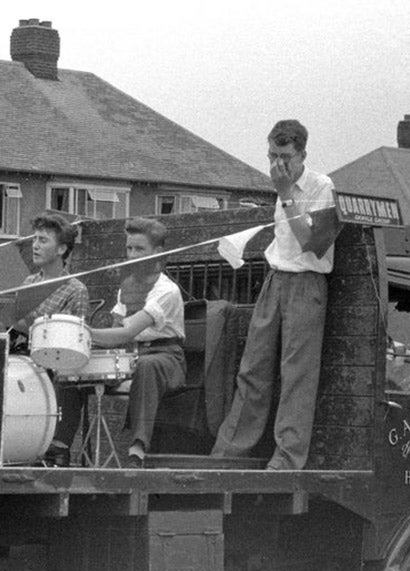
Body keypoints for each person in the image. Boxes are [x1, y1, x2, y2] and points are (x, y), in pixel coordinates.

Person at [212, 120, 336, 470]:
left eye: (285, 156)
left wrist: (285, 194)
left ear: (302, 155)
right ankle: (230, 451)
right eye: (272, 155)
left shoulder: (321, 186)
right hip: (275, 279)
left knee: (297, 373)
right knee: (253, 367)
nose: (278, 164)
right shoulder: (281, 184)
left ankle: (287, 457)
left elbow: (311, 242)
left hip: (307, 282)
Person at [47, 218, 185, 468]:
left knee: (147, 365)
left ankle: (137, 450)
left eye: (139, 249)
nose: (131, 254)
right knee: (74, 365)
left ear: (158, 252)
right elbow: (115, 331)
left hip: (167, 358)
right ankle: (61, 447)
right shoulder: (127, 287)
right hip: (131, 356)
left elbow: (125, 332)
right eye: (129, 248)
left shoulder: (167, 290)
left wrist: (78, 331)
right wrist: (81, 348)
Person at [0, 214, 89, 347]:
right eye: (34, 239)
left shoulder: (76, 290)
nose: (35, 246)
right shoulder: (29, 282)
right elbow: (14, 329)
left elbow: (73, 340)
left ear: (61, 249)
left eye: (43, 240)